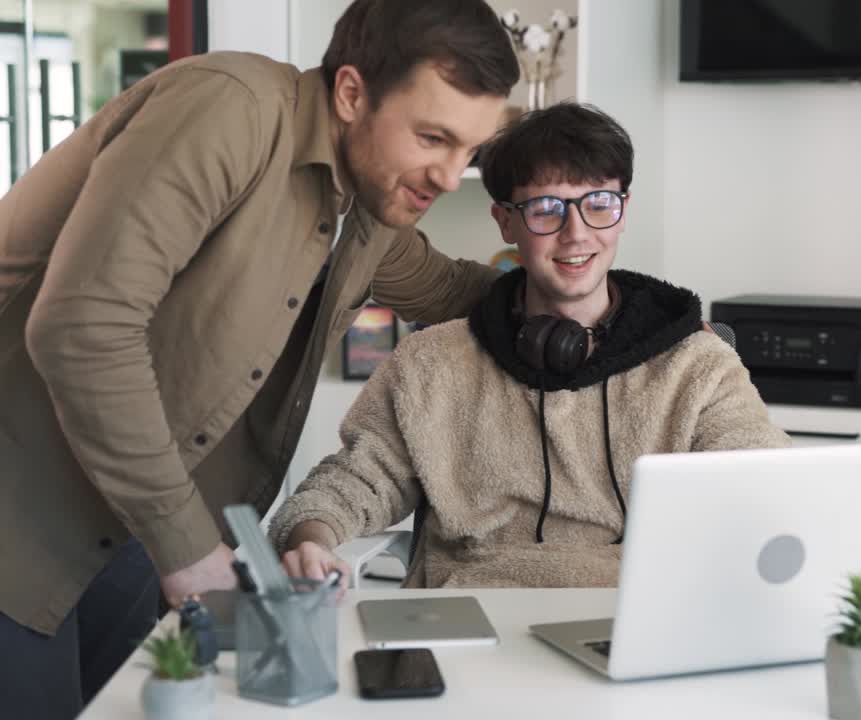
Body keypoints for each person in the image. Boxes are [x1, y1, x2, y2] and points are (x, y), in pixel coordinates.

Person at [0, 1, 519, 716]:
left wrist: (621, 306)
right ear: (350, 92)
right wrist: (188, 549)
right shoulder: (230, 111)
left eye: (472, 150)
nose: (447, 173)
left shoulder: (366, 211)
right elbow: (82, 325)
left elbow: (459, 291)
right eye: (433, 136)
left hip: (123, 527)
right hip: (20, 505)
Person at [269, 102, 791, 590]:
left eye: (598, 204)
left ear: (623, 210)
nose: (576, 234)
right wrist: (310, 540)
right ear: (506, 220)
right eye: (546, 209)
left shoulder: (695, 365)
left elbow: (766, 488)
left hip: (628, 613)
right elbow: (356, 480)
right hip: (469, 612)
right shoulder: (431, 364)